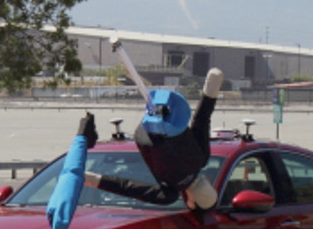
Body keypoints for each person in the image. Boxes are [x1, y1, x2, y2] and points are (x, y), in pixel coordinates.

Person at [84, 67, 225, 210]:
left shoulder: (202, 160)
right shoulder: (169, 194)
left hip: (171, 121)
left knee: (180, 126)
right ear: (193, 201)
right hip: (145, 134)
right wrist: (93, 180)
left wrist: (211, 90)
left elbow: (201, 119)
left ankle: (167, 112)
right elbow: (130, 187)